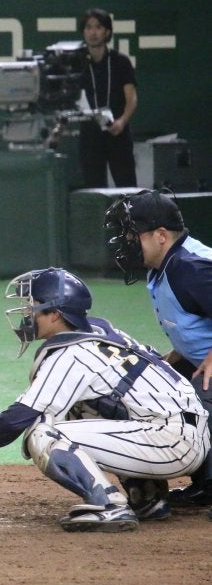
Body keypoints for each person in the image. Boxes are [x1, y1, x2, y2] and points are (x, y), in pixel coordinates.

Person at [0, 267, 209, 532]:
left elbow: (18, 417)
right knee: (80, 407)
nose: (27, 313)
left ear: (55, 314)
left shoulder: (73, 354)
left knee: (43, 434)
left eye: (33, 306)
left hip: (171, 441)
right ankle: (147, 498)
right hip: (179, 432)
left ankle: (109, 505)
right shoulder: (98, 332)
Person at [104, 189, 212, 516]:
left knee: (199, 398)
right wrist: (171, 361)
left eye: (132, 234)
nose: (127, 241)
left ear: (161, 235)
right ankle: (206, 484)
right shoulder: (167, 266)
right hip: (198, 361)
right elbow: (195, 322)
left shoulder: (190, 267)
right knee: (157, 386)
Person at [77, 8, 138, 188]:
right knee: (94, 190)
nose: (93, 32)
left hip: (117, 130)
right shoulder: (77, 63)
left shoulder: (121, 61)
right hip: (90, 134)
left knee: (127, 188)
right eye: (88, 27)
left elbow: (132, 98)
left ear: (107, 32)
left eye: (98, 27)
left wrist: (122, 121)